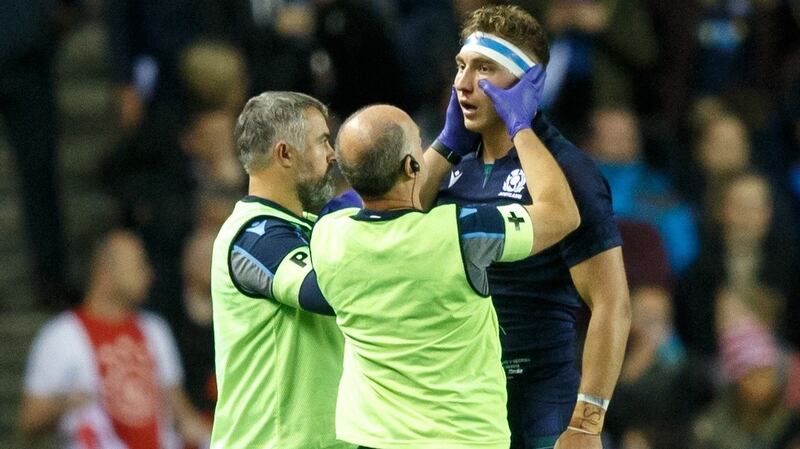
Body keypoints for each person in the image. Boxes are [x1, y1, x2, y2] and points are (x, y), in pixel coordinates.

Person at [309, 65, 580, 448]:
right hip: (461, 438)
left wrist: (446, 143)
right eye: (419, 142)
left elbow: (391, 196)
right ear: (410, 165)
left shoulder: (329, 234)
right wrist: (521, 128)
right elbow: (562, 214)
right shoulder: (460, 232)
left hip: (372, 439)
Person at [430, 5, 631, 449]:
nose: (463, 85)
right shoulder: (449, 164)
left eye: (484, 69)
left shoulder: (569, 171)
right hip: (460, 395)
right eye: (461, 67)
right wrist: (443, 145)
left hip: (541, 397)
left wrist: (586, 423)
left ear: (527, 82)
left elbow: (611, 303)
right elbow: (396, 223)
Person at [210, 91, 357, 449]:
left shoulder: (309, 226)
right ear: (285, 154)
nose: (332, 154)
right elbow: (321, 291)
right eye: (323, 141)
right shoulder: (255, 236)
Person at [19, 229, 210, 448]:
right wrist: (69, 404)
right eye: (138, 265)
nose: (149, 274)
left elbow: (179, 411)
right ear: (106, 270)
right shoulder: (60, 336)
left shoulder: (154, 330)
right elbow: (29, 420)